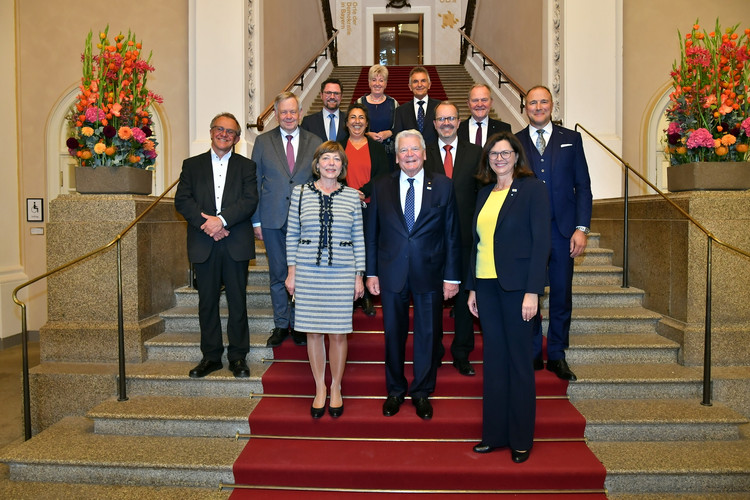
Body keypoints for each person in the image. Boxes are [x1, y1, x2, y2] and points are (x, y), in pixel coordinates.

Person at [467, 131, 551, 464]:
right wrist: (473, 286)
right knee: (494, 362)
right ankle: (495, 435)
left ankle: (520, 438)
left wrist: (533, 291)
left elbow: (541, 243)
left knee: (518, 363)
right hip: (486, 287)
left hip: (518, 290)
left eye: (505, 153)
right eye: (493, 154)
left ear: (517, 156)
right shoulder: (485, 193)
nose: (499, 158)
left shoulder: (533, 190)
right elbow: (478, 243)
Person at [366, 129, 462, 420]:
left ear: (423, 153)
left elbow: (452, 235)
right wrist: (371, 273)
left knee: (427, 335)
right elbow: (372, 234)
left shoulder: (443, 186)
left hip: (430, 274)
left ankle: (421, 391)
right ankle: (395, 390)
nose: (409, 155)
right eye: (403, 151)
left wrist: (452, 277)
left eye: (414, 150)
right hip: (391, 273)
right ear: (396, 157)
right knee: (393, 334)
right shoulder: (381, 186)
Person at [515, 85, 593, 381]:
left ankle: (558, 354)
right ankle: (533, 352)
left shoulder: (571, 140)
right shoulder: (516, 141)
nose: (538, 107)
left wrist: (581, 228)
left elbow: (583, 186)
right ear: (526, 107)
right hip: (529, 234)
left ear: (551, 105)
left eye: (543, 102)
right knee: (530, 292)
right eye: (532, 103)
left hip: (563, 233)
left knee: (561, 294)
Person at [175, 112, 258, 379]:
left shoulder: (247, 167)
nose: (224, 134)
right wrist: (208, 225)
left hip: (235, 241)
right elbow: (183, 200)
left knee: (237, 302)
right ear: (211, 132)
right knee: (207, 302)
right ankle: (211, 357)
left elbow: (249, 201)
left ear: (237, 138)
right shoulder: (191, 165)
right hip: (204, 242)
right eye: (220, 129)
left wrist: (221, 221)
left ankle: (237, 357)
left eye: (230, 131)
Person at [285, 141, 366, 419]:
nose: (331, 164)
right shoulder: (300, 193)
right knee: (314, 331)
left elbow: (359, 239)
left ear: (343, 167)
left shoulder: (353, 196)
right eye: (326, 159)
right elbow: (292, 234)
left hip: (342, 272)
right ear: (317, 163)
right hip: (308, 271)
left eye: (337, 160)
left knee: (338, 332)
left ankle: (336, 387)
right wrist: (292, 272)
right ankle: (320, 387)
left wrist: (359, 276)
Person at [252, 91, 324, 348]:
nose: (289, 116)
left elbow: (322, 181)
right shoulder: (262, 142)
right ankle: (282, 324)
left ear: (300, 113)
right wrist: (256, 221)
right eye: (284, 112)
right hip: (272, 220)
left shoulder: (315, 141)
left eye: (293, 111)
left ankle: (301, 325)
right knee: (278, 274)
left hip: (306, 221)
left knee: (304, 274)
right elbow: (255, 181)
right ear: (276, 114)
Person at [424, 101, 483, 377]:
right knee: (432, 301)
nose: (446, 123)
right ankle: (433, 352)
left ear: (459, 122)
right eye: (441, 119)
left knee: (463, 302)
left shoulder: (475, 153)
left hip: (465, 240)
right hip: (431, 241)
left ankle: (461, 353)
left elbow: (482, 195)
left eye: (451, 119)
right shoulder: (422, 153)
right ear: (434, 123)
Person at [339, 103, 389, 316]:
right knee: (346, 250)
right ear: (347, 122)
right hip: (343, 207)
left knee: (367, 250)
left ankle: (366, 296)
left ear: (367, 123)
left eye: (361, 117)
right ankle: (347, 295)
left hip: (369, 206)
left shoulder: (376, 148)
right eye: (353, 117)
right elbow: (331, 171)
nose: (357, 121)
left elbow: (383, 175)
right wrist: (349, 193)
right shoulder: (338, 147)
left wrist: (362, 190)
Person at [358, 64, 398, 169]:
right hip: (365, 150)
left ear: (386, 83)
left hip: (388, 153)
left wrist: (389, 133)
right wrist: (366, 134)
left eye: (381, 80)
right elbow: (353, 126)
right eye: (374, 80)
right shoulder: (359, 102)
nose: (377, 84)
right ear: (369, 82)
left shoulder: (393, 103)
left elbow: (400, 126)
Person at [393, 67, 439, 144]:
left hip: (435, 154)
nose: (419, 85)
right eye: (415, 81)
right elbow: (398, 140)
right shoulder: (401, 111)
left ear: (429, 85)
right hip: (410, 155)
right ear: (410, 87)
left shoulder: (439, 107)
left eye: (423, 81)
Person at [300, 78, 348, 143]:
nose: (332, 97)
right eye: (328, 93)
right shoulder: (308, 122)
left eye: (336, 93)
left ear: (341, 96)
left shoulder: (349, 120)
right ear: (321, 95)